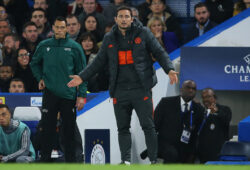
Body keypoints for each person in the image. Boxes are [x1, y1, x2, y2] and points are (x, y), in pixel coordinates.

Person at [68, 6, 178, 164]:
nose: (124, 19)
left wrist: (170, 69)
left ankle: (154, 161)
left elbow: (159, 52)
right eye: (121, 16)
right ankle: (125, 161)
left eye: (127, 16)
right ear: (116, 19)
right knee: (122, 128)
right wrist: (82, 77)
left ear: (132, 19)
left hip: (141, 88)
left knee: (148, 126)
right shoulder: (109, 37)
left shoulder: (144, 33)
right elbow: (98, 62)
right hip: (120, 90)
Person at [30, 16, 87, 162]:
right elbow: (34, 64)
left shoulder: (75, 47)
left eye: (62, 27)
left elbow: (83, 73)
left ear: (67, 28)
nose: (60, 30)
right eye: (57, 27)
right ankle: (45, 162)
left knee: (69, 132)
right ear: (53, 28)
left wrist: (81, 95)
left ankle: (70, 163)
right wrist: (40, 78)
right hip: (50, 94)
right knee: (47, 131)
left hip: (68, 94)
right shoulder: (44, 45)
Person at [153, 80, 204, 163]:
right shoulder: (166, 103)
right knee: (172, 154)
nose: (191, 90)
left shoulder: (199, 109)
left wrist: (193, 151)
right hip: (166, 144)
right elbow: (154, 125)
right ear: (181, 89)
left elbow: (196, 133)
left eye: (193, 89)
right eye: (188, 87)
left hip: (186, 146)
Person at [197, 88, 232, 163]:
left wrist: (217, 111)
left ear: (214, 98)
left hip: (219, 153)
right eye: (203, 97)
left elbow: (226, 120)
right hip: (203, 153)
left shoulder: (225, 109)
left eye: (208, 96)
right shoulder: (201, 112)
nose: (205, 99)